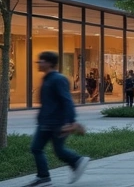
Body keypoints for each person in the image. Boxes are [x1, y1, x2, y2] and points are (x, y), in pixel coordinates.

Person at [26, 51, 89, 187]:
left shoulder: (57, 79)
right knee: (43, 148)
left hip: (56, 122)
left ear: (49, 63)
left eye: (41, 61)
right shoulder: (47, 79)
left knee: (45, 149)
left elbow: (67, 101)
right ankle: (47, 175)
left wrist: (70, 122)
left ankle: (75, 161)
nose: (38, 63)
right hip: (47, 122)